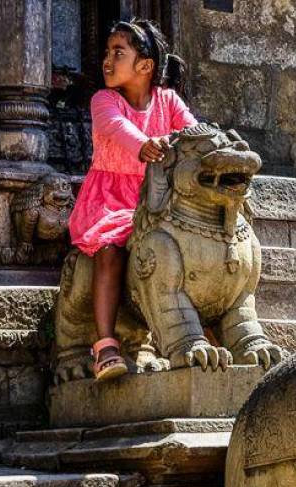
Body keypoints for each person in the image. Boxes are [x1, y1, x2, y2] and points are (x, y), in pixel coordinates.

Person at [67, 18, 199, 381]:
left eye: (118, 53)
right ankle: (106, 345)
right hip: (109, 201)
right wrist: (144, 145)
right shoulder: (103, 100)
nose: (107, 60)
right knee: (110, 252)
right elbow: (117, 128)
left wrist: (209, 145)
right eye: (107, 53)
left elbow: (192, 132)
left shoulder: (168, 101)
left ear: (145, 66)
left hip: (155, 200)